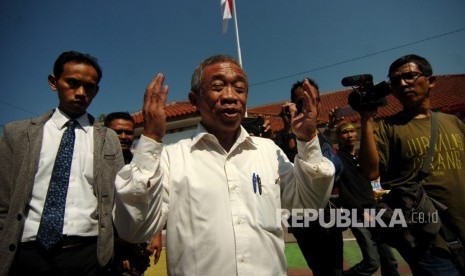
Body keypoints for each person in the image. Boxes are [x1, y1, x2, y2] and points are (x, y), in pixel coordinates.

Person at [113, 54, 335, 275]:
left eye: (239, 89)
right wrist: (150, 139)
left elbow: (309, 205)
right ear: (194, 99)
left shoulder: (269, 151)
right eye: (218, 87)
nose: (230, 96)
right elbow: (135, 229)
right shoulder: (171, 158)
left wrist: (307, 141)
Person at [0, 51, 125, 275]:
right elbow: (3, 203)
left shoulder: (108, 139)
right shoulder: (17, 134)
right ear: (53, 82)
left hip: (88, 254)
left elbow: (118, 200)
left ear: (96, 91)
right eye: (73, 83)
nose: (81, 93)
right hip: (28, 253)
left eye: (89, 87)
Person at [358, 54, 465, 275]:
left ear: (431, 81)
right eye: (395, 81)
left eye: (410, 76)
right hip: (428, 240)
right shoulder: (387, 127)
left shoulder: (453, 122)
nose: (403, 83)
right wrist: (366, 118)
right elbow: (370, 171)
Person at [275, 78, 345, 276]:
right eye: (301, 101)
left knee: (336, 270)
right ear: (292, 106)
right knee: (320, 270)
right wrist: (291, 130)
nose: (308, 104)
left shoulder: (322, 136)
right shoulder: (282, 137)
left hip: (329, 215)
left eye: (314, 99)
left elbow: (336, 169)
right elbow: (288, 171)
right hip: (302, 220)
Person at [331, 119, 399, 276]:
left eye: (352, 131)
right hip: (356, 213)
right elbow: (343, 191)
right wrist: (361, 212)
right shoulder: (337, 159)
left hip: (374, 209)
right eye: (345, 132)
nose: (350, 135)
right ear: (339, 137)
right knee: (372, 262)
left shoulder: (363, 155)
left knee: (390, 260)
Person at [104, 112, 163, 276]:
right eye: (117, 132)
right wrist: (122, 245)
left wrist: (156, 234)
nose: (123, 137)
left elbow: (151, 198)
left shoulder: (138, 163)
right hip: (107, 246)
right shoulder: (96, 164)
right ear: (105, 133)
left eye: (128, 132)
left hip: (137, 245)